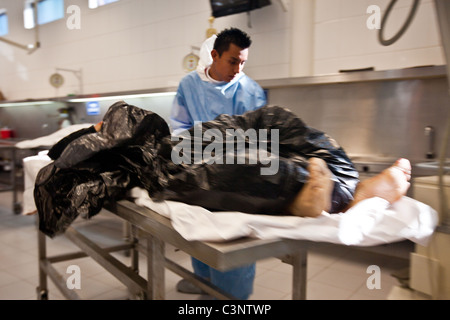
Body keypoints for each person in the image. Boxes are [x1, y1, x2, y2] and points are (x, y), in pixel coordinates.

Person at [170, 27, 267, 299]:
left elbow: (258, 141)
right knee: (200, 238)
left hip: (237, 179)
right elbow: (180, 126)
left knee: (233, 246)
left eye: (244, 62)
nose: (238, 69)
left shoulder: (250, 91)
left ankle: (232, 297)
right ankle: (203, 286)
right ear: (214, 55)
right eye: (233, 61)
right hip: (197, 174)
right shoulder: (189, 85)